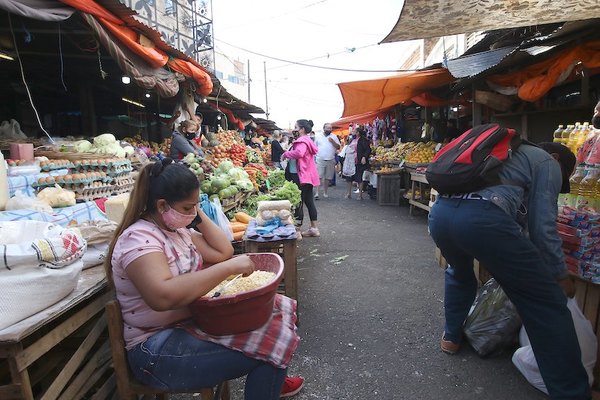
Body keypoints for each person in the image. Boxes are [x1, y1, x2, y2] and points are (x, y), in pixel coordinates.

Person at [105, 158, 304, 399]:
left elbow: (224, 251)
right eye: (188, 208)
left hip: (187, 325)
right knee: (272, 348)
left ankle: (271, 383)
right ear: (162, 206)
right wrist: (226, 269)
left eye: (195, 206)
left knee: (277, 315)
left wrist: (194, 214)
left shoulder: (177, 231)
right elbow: (163, 295)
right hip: (154, 350)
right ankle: (270, 381)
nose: (192, 213)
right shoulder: (138, 239)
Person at [428, 138, 591, 400]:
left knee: (459, 273)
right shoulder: (546, 162)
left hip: (441, 216)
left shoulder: (506, 152)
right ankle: (573, 392)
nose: (558, 184)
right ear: (557, 159)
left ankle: (451, 337)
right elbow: (543, 227)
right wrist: (559, 274)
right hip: (482, 222)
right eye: (563, 179)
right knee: (546, 304)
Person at [282, 119, 320, 238]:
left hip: (300, 176)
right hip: (307, 176)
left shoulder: (302, 141)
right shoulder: (308, 140)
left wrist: (285, 154)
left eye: (296, 127)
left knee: (298, 202)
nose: (294, 130)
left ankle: (297, 231)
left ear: (302, 129)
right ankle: (314, 228)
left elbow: (299, 153)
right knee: (309, 201)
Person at [313, 123, 340, 199]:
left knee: (328, 177)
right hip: (320, 159)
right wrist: (314, 157)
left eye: (330, 128)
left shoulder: (334, 136)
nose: (329, 129)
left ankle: (325, 192)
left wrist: (332, 142)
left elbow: (338, 147)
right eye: (327, 128)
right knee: (319, 176)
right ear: (324, 128)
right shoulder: (318, 136)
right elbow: (314, 147)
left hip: (330, 159)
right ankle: (317, 193)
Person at [354, 126, 372, 200]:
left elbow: (368, 149)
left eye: (355, 131)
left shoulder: (363, 140)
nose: (353, 132)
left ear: (358, 133)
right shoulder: (354, 140)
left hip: (360, 161)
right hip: (354, 161)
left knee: (360, 177)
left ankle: (360, 194)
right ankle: (356, 193)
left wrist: (364, 157)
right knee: (357, 177)